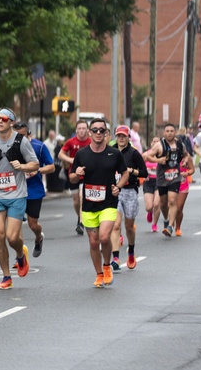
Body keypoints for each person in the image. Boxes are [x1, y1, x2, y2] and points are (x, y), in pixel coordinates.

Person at [0, 109, 39, 290]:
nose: (0, 122)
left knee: (13, 237)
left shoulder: (21, 141)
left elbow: (35, 164)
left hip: (16, 195)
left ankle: (20, 254)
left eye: (4, 119)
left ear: (11, 122)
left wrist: (21, 165)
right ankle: (6, 276)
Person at [69, 118, 129, 287]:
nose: (97, 133)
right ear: (89, 133)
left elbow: (125, 174)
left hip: (109, 202)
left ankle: (107, 265)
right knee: (93, 242)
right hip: (89, 204)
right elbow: (72, 178)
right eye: (94, 130)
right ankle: (99, 273)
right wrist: (77, 173)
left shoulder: (114, 153)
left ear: (106, 133)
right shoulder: (82, 154)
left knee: (104, 237)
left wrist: (118, 186)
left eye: (101, 130)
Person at [144, 123, 191, 238]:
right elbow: (148, 157)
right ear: (164, 133)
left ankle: (170, 226)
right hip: (162, 179)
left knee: (172, 201)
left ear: (175, 133)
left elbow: (186, 155)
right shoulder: (159, 145)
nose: (169, 133)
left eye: (172, 131)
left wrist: (185, 161)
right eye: (167, 131)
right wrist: (159, 160)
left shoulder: (180, 145)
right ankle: (166, 219)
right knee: (163, 204)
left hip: (175, 177)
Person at [109, 125, 147, 271]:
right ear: (115, 137)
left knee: (129, 227)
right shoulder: (110, 152)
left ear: (128, 137)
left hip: (130, 191)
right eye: (119, 136)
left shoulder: (133, 153)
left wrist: (132, 171)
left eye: (124, 136)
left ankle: (131, 251)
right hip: (115, 191)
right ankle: (116, 258)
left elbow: (144, 173)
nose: (121, 138)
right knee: (116, 225)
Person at [16, 121, 56, 258]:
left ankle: (39, 238)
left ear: (28, 134)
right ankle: (20, 255)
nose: (19, 139)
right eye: (16, 136)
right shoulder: (11, 147)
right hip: (16, 191)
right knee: (16, 225)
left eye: (21, 135)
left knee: (33, 225)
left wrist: (37, 170)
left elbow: (51, 167)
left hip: (34, 190)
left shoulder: (39, 146)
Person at [58, 120, 92, 235]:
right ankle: (80, 217)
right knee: (76, 201)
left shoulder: (91, 142)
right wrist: (70, 160)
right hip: (73, 174)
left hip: (87, 174)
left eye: (84, 128)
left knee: (83, 197)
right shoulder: (71, 142)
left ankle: (81, 223)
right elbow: (60, 154)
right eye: (80, 128)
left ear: (87, 130)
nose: (82, 131)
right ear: (76, 130)